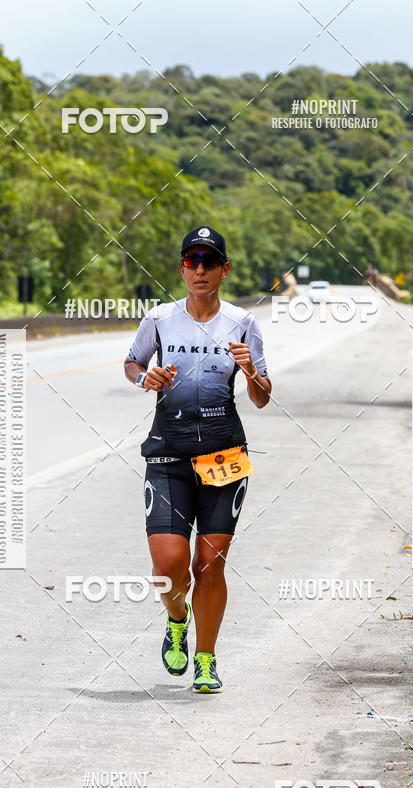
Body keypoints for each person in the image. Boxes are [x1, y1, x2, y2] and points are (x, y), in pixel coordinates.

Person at [124, 226, 271, 693]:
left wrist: (251, 371)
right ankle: (177, 618)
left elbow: (262, 397)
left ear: (224, 269)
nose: (200, 269)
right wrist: (144, 378)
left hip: (223, 456)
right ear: (182, 268)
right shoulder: (160, 319)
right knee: (169, 565)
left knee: (209, 564)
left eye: (209, 262)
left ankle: (205, 660)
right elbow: (132, 362)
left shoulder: (242, 323)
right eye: (192, 261)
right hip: (167, 452)